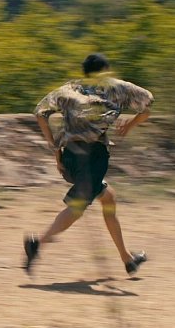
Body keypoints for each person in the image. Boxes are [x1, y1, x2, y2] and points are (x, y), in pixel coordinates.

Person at [25, 53, 153, 276]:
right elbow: (147, 104)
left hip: (70, 158)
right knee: (77, 208)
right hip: (93, 157)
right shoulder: (116, 88)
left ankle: (127, 259)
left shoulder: (69, 89)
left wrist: (55, 149)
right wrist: (129, 125)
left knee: (108, 197)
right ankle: (38, 244)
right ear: (105, 70)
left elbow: (40, 113)